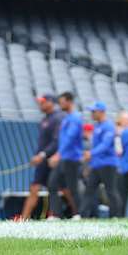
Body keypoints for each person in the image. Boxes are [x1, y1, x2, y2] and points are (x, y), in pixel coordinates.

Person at [17, 94, 61, 221]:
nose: (40, 105)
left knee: (59, 188)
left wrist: (42, 155)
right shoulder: (44, 120)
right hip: (43, 160)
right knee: (35, 187)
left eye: (43, 102)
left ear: (51, 102)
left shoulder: (57, 118)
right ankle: (24, 218)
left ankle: (73, 214)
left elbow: (56, 141)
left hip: (53, 160)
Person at [49, 91, 82, 219]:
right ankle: (56, 214)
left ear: (69, 102)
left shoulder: (75, 118)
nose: (60, 105)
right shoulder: (66, 118)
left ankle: (79, 214)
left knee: (72, 187)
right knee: (52, 184)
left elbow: (70, 138)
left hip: (72, 158)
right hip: (64, 157)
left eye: (62, 102)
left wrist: (58, 154)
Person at [86, 101, 121, 219]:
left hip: (108, 164)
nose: (92, 114)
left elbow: (105, 145)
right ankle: (83, 215)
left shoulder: (108, 126)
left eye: (93, 111)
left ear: (101, 112)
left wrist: (91, 153)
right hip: (96, 164)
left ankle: (115, 216)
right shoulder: (97, 126)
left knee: (110, 191)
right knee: (89, 191)